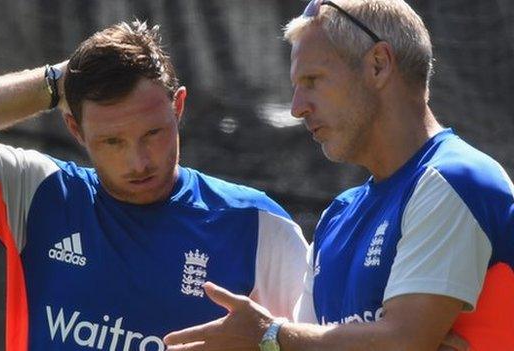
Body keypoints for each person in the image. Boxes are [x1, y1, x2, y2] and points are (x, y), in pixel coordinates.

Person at [0, 21, 309, 350]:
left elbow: (324, 339)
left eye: (153, 133)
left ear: (177, 107)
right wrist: (56, 82)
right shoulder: (39, 193)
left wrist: (271, 342)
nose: (138, 161)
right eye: (112, 141)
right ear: (74, 128)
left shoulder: (258, 226)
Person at [163, 0, 514, 350]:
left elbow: (404, 343)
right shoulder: (337, 217)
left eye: (312, 80)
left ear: (378, 65)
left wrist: (270, 335)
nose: (297, 107)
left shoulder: (454, 179)